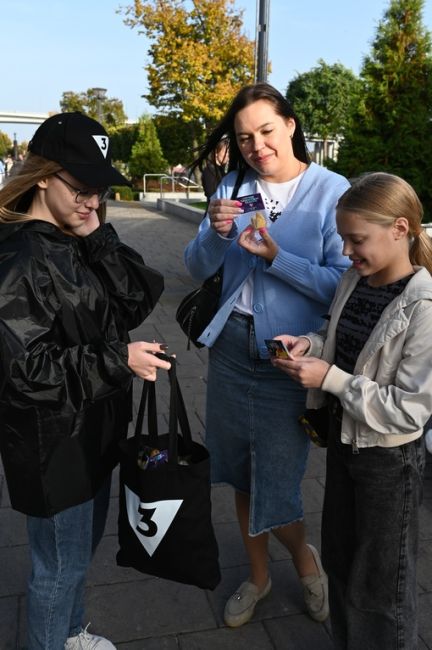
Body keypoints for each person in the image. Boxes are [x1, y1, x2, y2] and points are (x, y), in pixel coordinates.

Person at [0, 112, 171, 650]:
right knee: (58, 568)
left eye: (99, 191)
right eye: (81, 188)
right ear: (44, 175)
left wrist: (97, 236)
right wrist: (118, 360)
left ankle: (71, 634)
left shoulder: (72, 233)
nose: (92, 201)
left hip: (93, 429)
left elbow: (137, 298)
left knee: (76, 558)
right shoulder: (18, 257)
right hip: (53, 444)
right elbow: (23, 371)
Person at [184, 82, 351, 627]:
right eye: (244, 137)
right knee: (238, 474)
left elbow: (341, 287)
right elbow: (196, 266)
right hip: (231, 348)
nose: (257, 146)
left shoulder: (331, 191)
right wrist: (213, 230)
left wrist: (279, 258)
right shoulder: (234, 184)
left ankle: (306, 566)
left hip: (289, 359)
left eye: (266, 131)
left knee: (276, 481)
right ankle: (257, 578)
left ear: (291, 126)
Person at [272, 172, 432, 649]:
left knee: (383, 585)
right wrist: (311, 343)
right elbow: (341, 340)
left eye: (356, 239)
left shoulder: (423, 306)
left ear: (400, 229)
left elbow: (409, 411)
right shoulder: (354, 278)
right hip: (345, 444)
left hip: (389, 462)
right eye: (343, 238)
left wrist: (329, 379)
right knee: (341, 563)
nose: (346, 251)